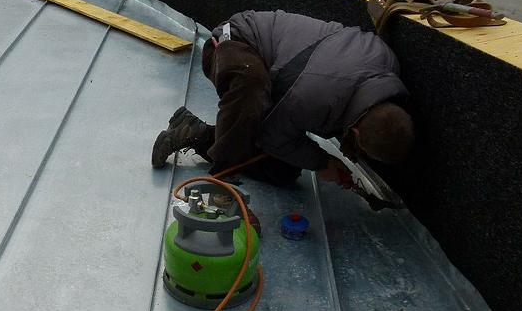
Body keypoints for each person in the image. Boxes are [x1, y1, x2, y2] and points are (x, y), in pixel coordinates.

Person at [152, 10, 414, 186]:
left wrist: (321, 163)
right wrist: (323, 161)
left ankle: (193, 131)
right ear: (356, 132)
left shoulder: (386, 69)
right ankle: (223, 179)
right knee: (251, 85)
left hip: (286, 77)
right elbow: (271, 134)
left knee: (283, 171)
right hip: (235, 40)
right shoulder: (314, 96)